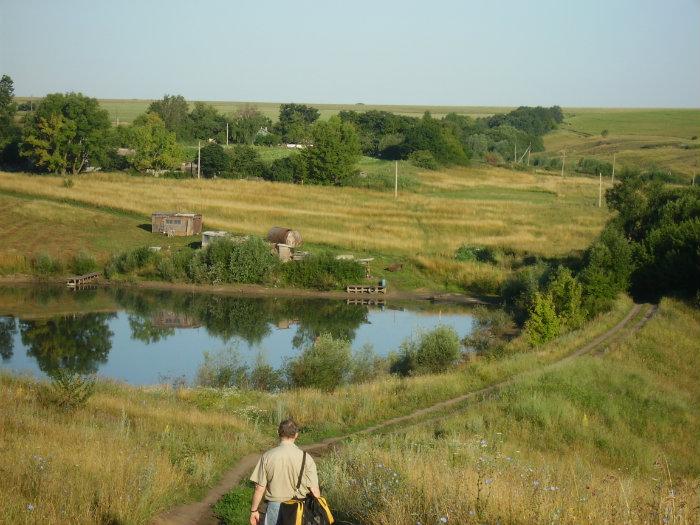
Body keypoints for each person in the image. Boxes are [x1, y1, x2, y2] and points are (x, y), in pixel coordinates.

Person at [249, 419, 321, 525]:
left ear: (278, 433)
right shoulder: (306, 458)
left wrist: (254, 511)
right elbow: (315, 491)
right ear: (296, 435)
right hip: (298, 509)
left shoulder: (267, 456)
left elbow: (259, 488)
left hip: (274, 507)